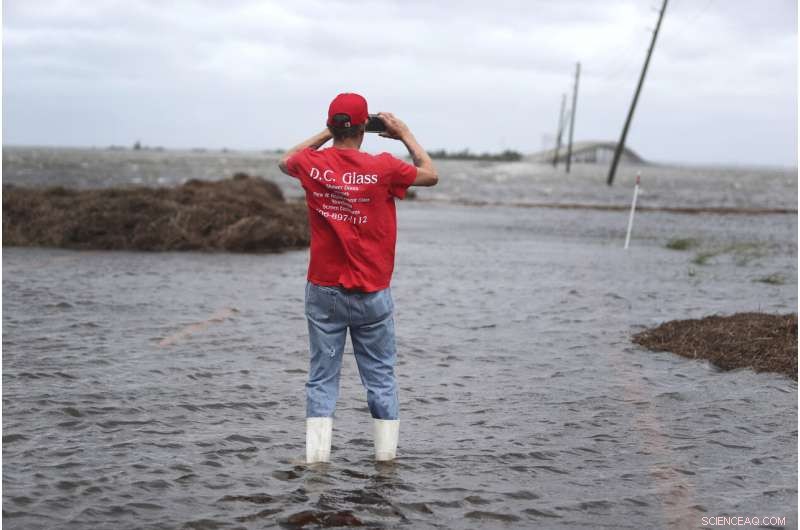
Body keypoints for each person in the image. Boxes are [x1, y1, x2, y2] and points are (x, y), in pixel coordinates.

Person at [278, 93, 438, 463]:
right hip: (372, 291)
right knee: (380, 378)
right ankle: (386, 463)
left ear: (333, 126)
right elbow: (431, 174)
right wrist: (405, 133)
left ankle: (316, 464)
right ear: (366, 126)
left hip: (323, 290)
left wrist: (328, 132)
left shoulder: (311, 163)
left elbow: (285, 161)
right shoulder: (383, 167)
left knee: (322, 378)